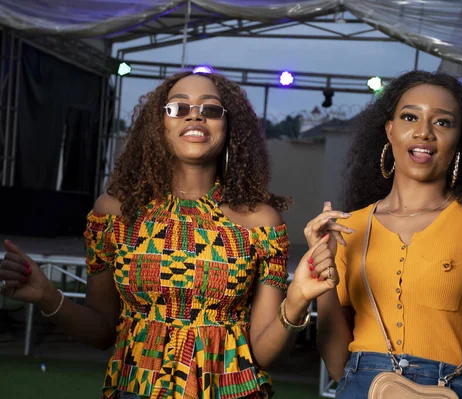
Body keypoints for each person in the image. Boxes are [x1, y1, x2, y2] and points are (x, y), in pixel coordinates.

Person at [0, 71, 338, 399]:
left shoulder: (260, 223)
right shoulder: (115, 214)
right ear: (159, 125)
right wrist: (47, 295)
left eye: (210, 109)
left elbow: (263, 354)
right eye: (178, 108)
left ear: (229, 126)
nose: (195, 117)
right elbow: (102, 331)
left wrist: (296, 300)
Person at [306, 71, 462, 399]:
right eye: (409, 117)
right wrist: (323, 285)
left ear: (460, 138)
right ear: (390, 130)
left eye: (443, 122)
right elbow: (337, 368)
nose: (424, 132)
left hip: (449, 389)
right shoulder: (350, 227)